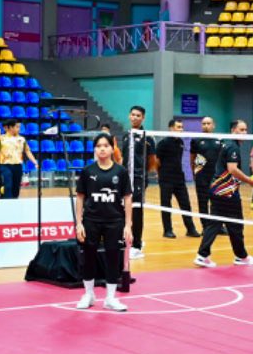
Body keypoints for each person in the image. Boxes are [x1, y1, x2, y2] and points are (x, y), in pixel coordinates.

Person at [74, 132, 132, 312]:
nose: (102, 149)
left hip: (115, 221)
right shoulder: (87, 171)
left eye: (105, 145)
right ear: (94, 149)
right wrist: (79, 223)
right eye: (98, 146)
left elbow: (128, 198)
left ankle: (110, 298)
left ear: (112, 148)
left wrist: (128, 225)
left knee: (113, 258)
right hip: (91, 221)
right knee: (89, 257)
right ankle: (89, 294)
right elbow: (80, 198)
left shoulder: (120, 172)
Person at [195, 119, 253, 268]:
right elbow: (232, 169)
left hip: (217, 189)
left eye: (246, 130)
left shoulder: (227, 143)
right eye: (241, 130)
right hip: (227, 192)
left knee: (214, 223)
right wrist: (250, 181)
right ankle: (241, 257)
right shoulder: (233, 147)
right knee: (236, 225)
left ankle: (202, 255)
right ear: (233, 130)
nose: (244, 133)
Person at [154, 117, 202, 238]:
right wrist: (162, 174)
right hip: (166, 179)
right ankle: (167, 230)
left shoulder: (181, 142)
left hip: (179, 179)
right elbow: (156, 161)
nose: (181, 129)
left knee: (185, 204)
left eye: (182, 127)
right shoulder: (163, 143)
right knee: (166, 205)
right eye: (178, 127)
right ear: (171, 128)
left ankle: (190, 229)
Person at [126, 105, 154, 258]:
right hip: (125, 177)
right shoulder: (126, 135)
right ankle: (131, 240)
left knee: (137, 212)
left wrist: (141, 175)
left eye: (138, 115)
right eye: (133, 115)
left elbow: (152, 160)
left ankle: (137, 246)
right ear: (129, 116)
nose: (135, 117)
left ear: (143, 118)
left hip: (138, 179)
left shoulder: (147, 137)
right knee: (124, 211)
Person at [0, 119, 37, 200]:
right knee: (8, 185)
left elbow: (27, 151)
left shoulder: (22, 139)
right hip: (5, 165)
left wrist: (35, 162)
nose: (19, 129)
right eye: (17, 127)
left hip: (18, 166)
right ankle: (7, 203)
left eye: (19, 127)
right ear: (10, 128)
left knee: (16, 188)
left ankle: (11, 201)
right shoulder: (1, 139)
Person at [191, 116, 219, 220]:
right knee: (203, 202)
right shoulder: (196, 140)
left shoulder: (219, 140)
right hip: (201, 176)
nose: (206, 126)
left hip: (216, 177)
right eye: (204, 124)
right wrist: (194, 173)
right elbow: (192, 158)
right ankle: (205, 226)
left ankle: (217, 226)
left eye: (208, 123)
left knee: (216, 202)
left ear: (213, 125)